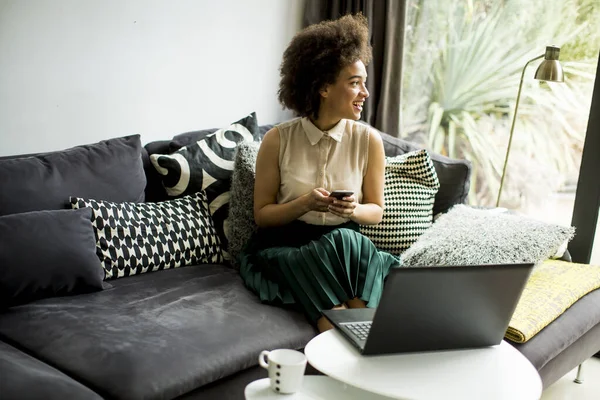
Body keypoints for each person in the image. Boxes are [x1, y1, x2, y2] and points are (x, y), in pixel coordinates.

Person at [238, 13, 399, 333]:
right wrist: (305, 204)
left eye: (364, 83)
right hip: (287, 247)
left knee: (347, 240)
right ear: (324, 87)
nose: (365, 93)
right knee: (336, 246)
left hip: (344, 248)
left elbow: (376, 211)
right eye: (355, 83)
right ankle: (350, 337)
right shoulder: (277, 140)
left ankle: (364, 335)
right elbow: (263, 217)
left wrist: (353, 209)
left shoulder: (368, 141)